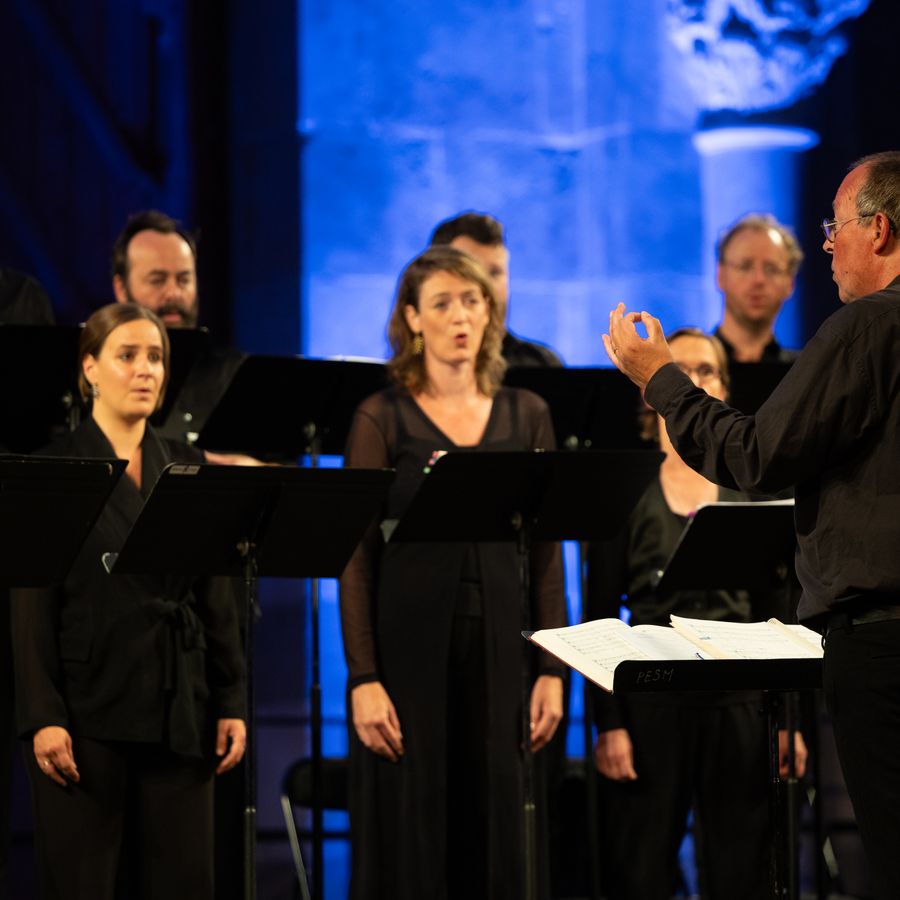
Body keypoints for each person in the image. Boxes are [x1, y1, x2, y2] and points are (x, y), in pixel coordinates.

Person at [602, 150, 900, 900]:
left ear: (882, 229)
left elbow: (757, 456)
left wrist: (659, 378)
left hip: (885, 645)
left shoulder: (866, 329)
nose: (829, 243)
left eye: (838, 227)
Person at [339, 245, 567, 899]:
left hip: (504, 647)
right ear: (412, 318)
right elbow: (355, 559)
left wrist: (552, 668)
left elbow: (547, 555)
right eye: (442, 303)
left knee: (496, 825)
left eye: (472, 300)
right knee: (415, 826)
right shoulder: (380, 417)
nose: (461, 316)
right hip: (408, 655)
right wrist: (364, 678)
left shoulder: (528, 413)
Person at [10, 303, 246, 900]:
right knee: (85, 882)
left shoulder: (187, 465)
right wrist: (42, 715)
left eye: (156, 357)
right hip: (88, 711)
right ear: (89, 367)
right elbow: (30, 607)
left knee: (184, 882)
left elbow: (216, 594)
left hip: (180, 705)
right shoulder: (53, 469)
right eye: (127, 355)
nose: (146, 370)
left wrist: (231, 698)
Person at [589, 328, 807, 899]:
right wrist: (607, 726)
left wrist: (789, 723)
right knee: (643, 867)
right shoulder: (624, 490)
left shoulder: (747, 487)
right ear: (648, 387)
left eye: (705, 370)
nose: (690, 379)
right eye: (676, 367)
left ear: (724, 389)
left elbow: (776, 612)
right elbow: (596, 611)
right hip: (650, 703)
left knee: (742, 869)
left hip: (737, 704)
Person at [110, 210, 244, 444]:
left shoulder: (232, 374)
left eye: (183, 280)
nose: (173, 293)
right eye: (157, 280)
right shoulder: (104, 377)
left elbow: (282, 466)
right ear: (121, 288)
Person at [429, 211, 564, 367]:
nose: (487, 287)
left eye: (495, 273)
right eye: (471, 272)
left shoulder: (543, 364)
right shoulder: (412, 361)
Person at [713, 214, 803, 363]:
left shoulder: (806, 374)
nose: (758, 280)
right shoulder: (688, 370)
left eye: (771, 269)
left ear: (790, 283)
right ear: (720, 275)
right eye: (745, 266)